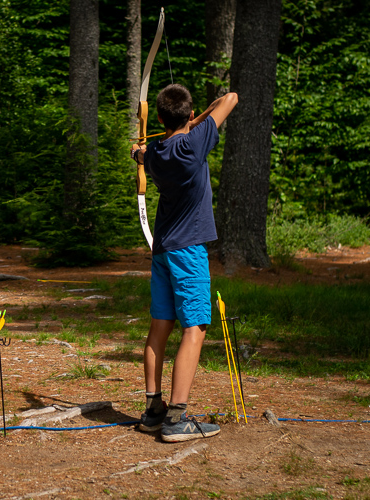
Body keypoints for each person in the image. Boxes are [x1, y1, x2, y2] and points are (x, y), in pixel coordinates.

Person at [132, 84, 238, 442]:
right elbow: (231, 99)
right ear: (189, 116)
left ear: (160, 118)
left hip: (162, 249)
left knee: (161, 324)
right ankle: (177, 419)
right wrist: (205, 112)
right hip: (189, 249)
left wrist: (141, 153)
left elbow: (143, 152)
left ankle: (153, 410)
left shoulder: (156, 151)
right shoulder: (194, 143)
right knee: (195, 327)